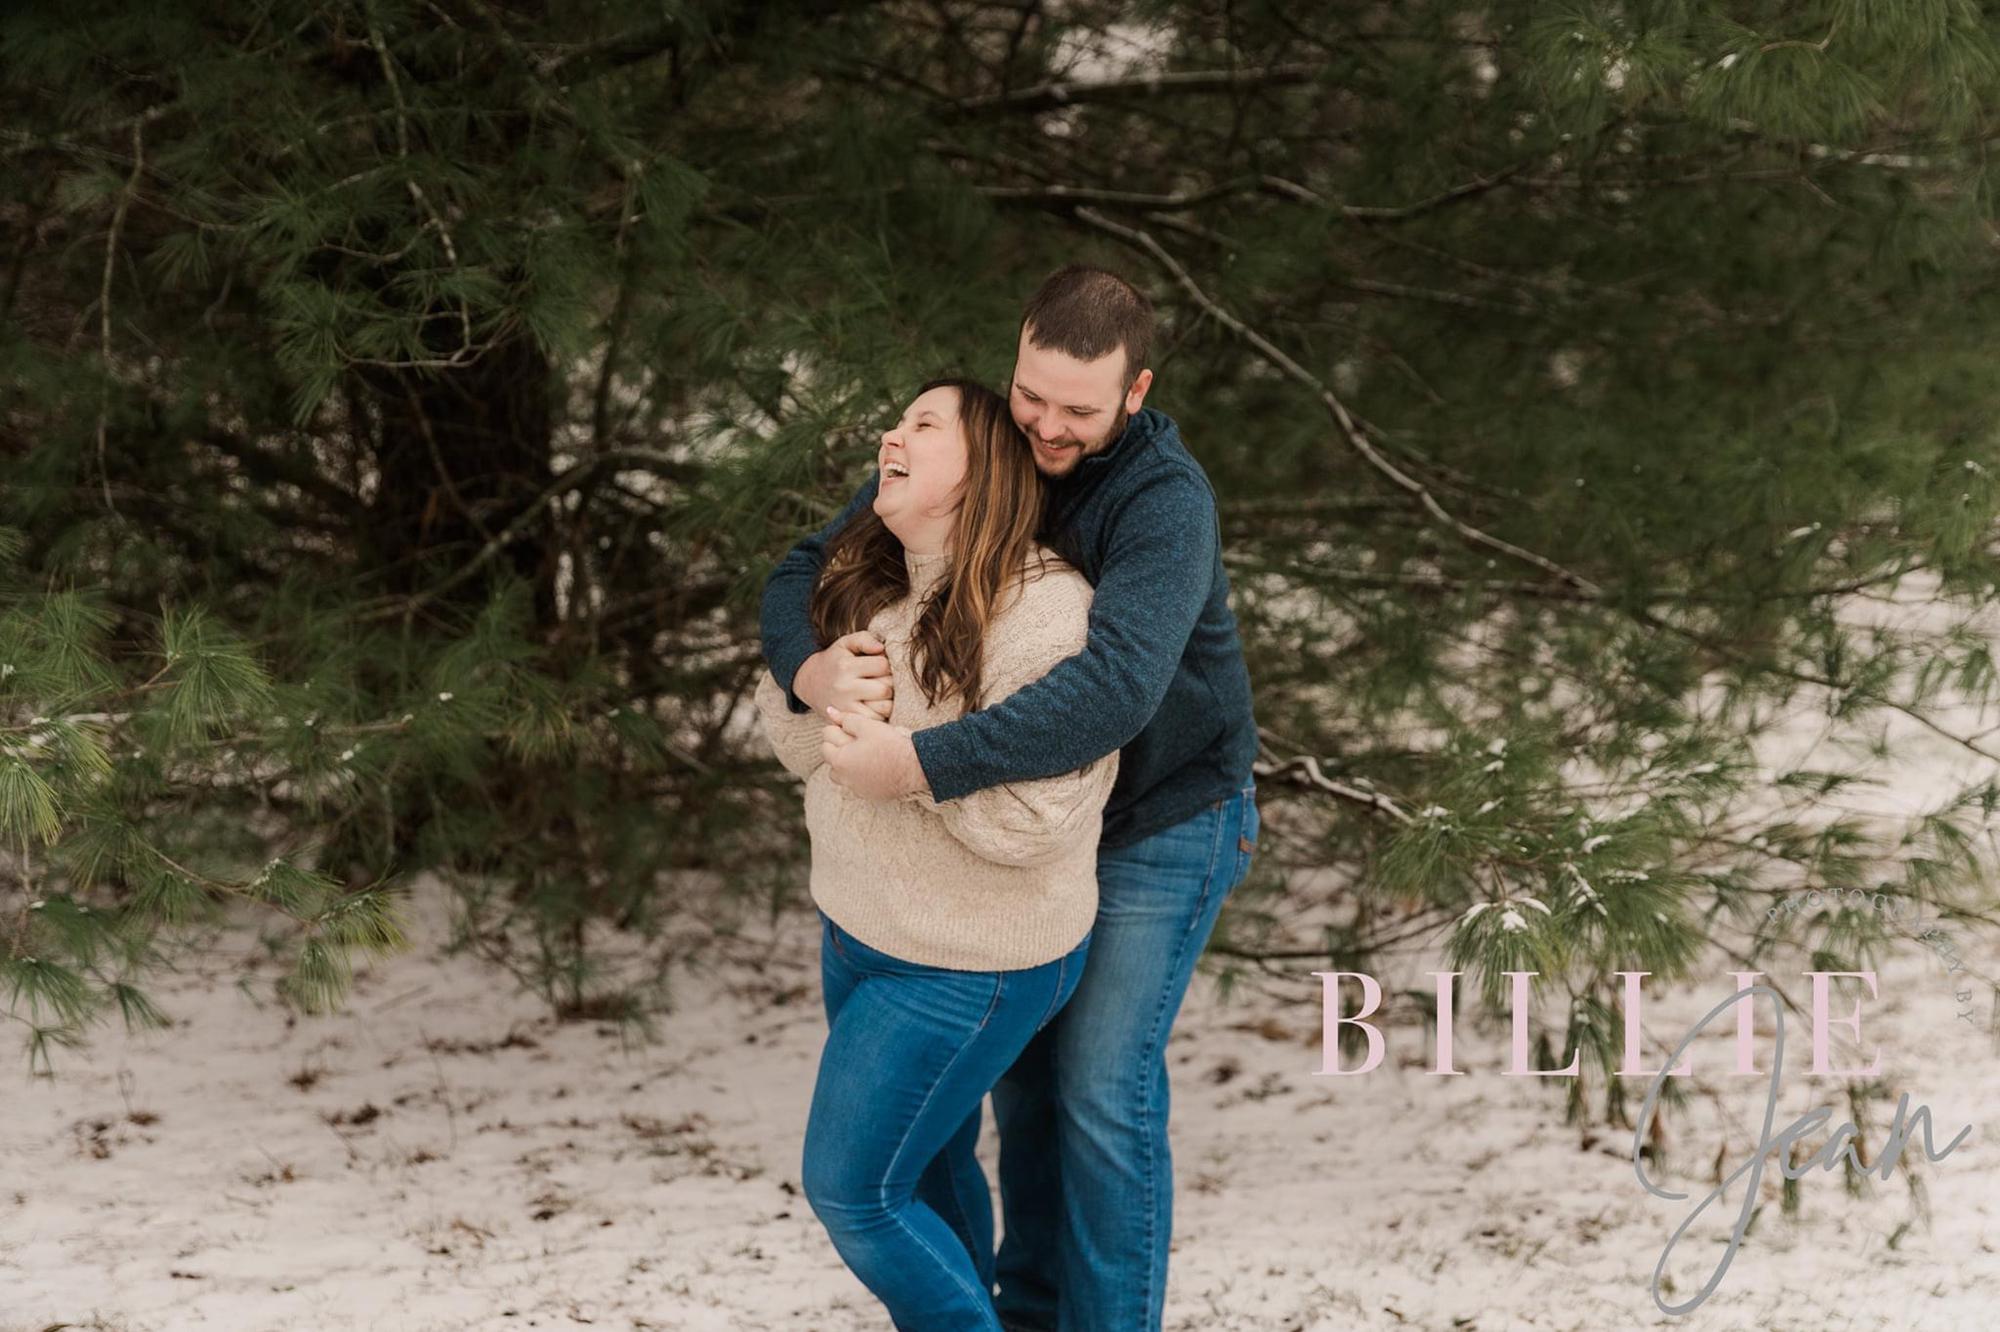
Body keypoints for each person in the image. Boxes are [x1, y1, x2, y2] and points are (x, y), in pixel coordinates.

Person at [760, 265, 1260, 1332]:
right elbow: (806, 566)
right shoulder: (990, 444)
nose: (1045, 426)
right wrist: (810, 674)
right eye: (1031, 394)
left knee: (1097, 1090)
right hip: (1030, 810)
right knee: (1022, 1085)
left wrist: (920, 765)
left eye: (1078, 409)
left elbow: (1113, 691)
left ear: (1135, 392)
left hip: (1160, 813)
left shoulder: (1162, 503)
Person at [753, 376, 1119, 1330]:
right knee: (927, 1168)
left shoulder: (1048, 614)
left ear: (984, 467)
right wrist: (818, 685)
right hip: (858, 930)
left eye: (922, 424)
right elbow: (793, 739)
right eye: (895, 419)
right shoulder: (872, 574)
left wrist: (904, 760)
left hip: (970, 964)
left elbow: (1036, 818)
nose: (891, 435)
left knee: (855, 1192)